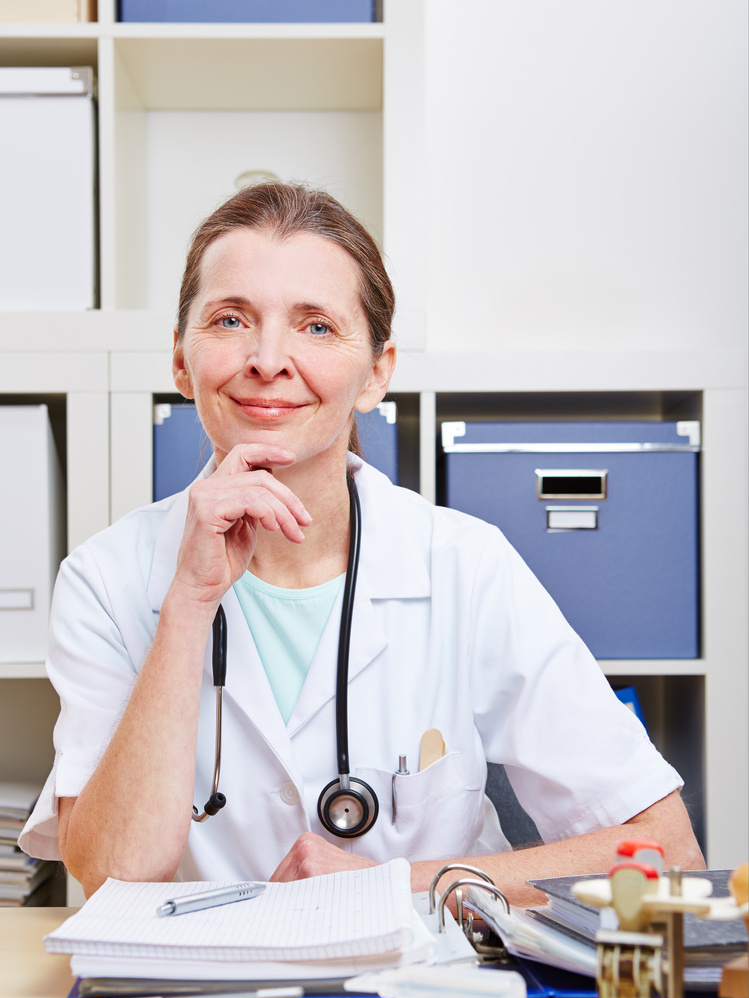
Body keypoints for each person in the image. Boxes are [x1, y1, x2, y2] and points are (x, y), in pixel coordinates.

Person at [20, 182, 703, 903]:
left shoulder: (463, 566)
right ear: (182, 363)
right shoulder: (107, 578)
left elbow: (664, 851)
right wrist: (188, 603)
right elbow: (112, 873)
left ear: (376, 373)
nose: (267, 358)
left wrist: (391, 885)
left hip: (428, 997)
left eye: (316, 326)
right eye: (229, 319)